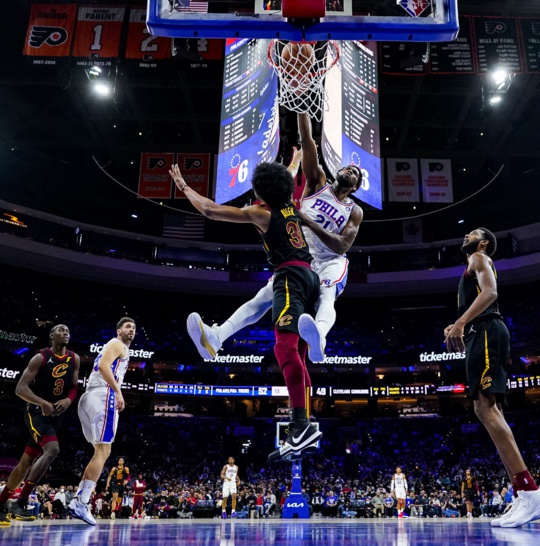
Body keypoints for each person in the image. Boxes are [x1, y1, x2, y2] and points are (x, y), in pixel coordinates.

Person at [172, 162, 321, 461]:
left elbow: (211, 211)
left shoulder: (261, 213)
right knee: (264, 312)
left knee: (284, 349)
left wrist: (185, 187)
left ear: (261, 191)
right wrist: (294, 160)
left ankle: (301, 423)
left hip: (290, 276)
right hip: (308, 276)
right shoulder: (290, 204)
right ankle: (216, 336)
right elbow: (288, 176)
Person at [187, 112, 363, 364]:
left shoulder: (354, 211)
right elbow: (307, 140)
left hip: (330, 260)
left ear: (355, 187)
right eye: (347, 168)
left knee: (327, 294)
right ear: (338, 172)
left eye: (355, 173)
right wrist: (302, 107)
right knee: (263, 297)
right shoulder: (318, 182)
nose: (349, 171)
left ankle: (320, 339)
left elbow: (343, 244)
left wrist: (310, 222)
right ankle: (216, 337)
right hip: (302, 258)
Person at [444, 228, 540, 528]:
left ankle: (530, 491)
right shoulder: (472, 264)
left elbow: (491, 293)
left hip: (488, 331)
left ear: (483, 243)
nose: (465, 233)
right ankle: (522, 493)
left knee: (485, 408)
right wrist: (458, 324)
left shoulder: (479, 257)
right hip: (482, 332)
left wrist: (462, 322)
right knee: (490, 411)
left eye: (473, 232)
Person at [0, 324, 80, 526]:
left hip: (56, 415)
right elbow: (20, 388)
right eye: (61, 330)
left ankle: (1, 504)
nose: (65, 333)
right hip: (36, 412)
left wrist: (69, 400)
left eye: (67, 330)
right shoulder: (40, 357)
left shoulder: (74, 358)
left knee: (25, 464)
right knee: (52, 449)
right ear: (52, 335)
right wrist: (42, 402)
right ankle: (21, 501)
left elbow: (73, 388)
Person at [68, 317, 136, 525]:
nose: (131, 330)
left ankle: (78, 499)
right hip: (103, 395)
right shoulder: (117, 344)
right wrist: (118, 391)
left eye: (134, 327)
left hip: (90, 396)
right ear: (118, 331)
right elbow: (104, 368)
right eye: (127, 327)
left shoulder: (114, 346)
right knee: (104, 451)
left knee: (99, 451)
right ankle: (83, 502)